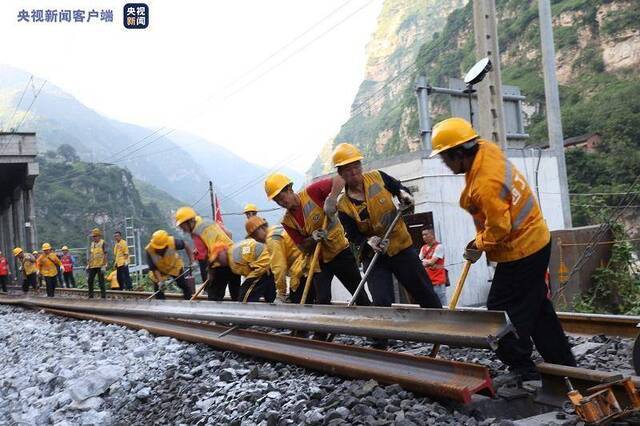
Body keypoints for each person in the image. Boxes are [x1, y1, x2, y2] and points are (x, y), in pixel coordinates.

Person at [430, 117, 576, 383]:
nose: (445, 163)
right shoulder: (486, 150)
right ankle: (564, 364)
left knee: (499, 310)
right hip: (536, 240)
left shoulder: (486, 183)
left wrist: (479, 244)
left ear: (459, 154)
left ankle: (522, 364)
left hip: (521, 250)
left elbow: (500, 229)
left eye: (445, 158)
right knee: (537, 307)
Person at [330, 143, 443, 312]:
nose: (353, 172)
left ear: (361, 166)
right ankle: (382, 338)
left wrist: (404, 194)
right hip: (375, 257)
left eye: (356, 166)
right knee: (381, 301)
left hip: (401, 247)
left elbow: (398, 188)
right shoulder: (343, 205)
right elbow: (352, 235)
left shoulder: (378, 177)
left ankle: (441, 331)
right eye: (347, 169)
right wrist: (368, 241)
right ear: (340, 174)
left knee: (425, 293)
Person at [264, 173, 371, 309]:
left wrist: (331, 199)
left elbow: (341, 178)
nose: (281, 202)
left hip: (340, 253)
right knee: (322, 300)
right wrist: (312, 239)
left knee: (359, 294)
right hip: (319, 261)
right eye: (276, 200)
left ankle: (371, 324)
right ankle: (325, 329)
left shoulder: (312, 192)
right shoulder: (287, 221)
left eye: (281, 197)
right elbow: (302, 247)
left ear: (290, 189)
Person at [175, 207, 239, 301]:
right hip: (234, 258)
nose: (182, 229)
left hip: (223, 262)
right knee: (236, 294)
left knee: (214, 297)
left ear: (189, 221)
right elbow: (228, 234)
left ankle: (214, 314)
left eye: (182, 225)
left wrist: (211, 270)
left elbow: (214, 251)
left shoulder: (200, 230)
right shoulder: (204, 224)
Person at [245, 216, 309, 304]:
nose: (256, 239)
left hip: (301, 269)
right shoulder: (276, 229)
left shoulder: (272, 239)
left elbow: (279, 268)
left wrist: (281, 293)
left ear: (260, 229)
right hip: (308, 265)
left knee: (297, 305)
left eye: (254, 235)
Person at [208, 239, 276, 303]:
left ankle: (245, 312)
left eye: (218, 258)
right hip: (268, 265)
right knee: (269, 296)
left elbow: (252, 270)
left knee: (244, 297)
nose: (218, 262)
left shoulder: (234, 258)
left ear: (223, 252)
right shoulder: (232, 256)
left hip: (263, 265)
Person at [145, 230, 195, 300]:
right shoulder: (149, 250)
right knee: (158, 290)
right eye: (156, 248)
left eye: (160, 248)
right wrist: (160, 282)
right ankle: (161, 305)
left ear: (166, 245)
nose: (158, 250)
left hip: (174, 266)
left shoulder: (172, 242)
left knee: (183, 284)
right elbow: (154, 268)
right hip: (159, 270)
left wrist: (192, 260)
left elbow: (186, 245)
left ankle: (189, 300)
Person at [419, 229, 448, 305]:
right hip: (428, 281)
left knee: (442, 303)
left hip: (438, 280)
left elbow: (432, 261)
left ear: (432, 235)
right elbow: (418, 262)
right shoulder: (423, 248)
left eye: (426, 234)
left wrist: (425, 261)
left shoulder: (439, 247)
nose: (424, 237)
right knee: (431, 303)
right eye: (423, 235)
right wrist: (427, 262)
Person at [87, 228, 108, 299]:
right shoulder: (92, 244)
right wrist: (88, 264)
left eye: (95, 236)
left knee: (101, 281)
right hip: (93, 265)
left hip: (100, 265)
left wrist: (104, 265)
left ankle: (103, 296)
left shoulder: (103, 243)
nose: (94, 238)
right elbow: (91, 254)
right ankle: (90, 296)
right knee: (90, 280)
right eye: (93, 236)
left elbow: (105, 254)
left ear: (99, 236)